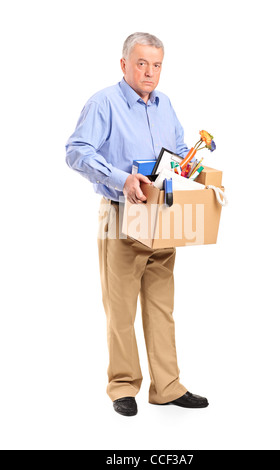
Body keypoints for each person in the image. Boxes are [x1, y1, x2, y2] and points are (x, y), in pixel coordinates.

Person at [65, 32, 209, 416]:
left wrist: (194, 170)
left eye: (157, 64)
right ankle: (123, 386)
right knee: (120, 307)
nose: (150, 72)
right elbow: (76, 151)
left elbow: (178, 151)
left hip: (164, 217)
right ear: (124, 64)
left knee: (162, 306)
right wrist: (120, 178)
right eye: (142, 63)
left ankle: (167, 387)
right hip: (120, 216)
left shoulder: (165, 105)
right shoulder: (104, 103)